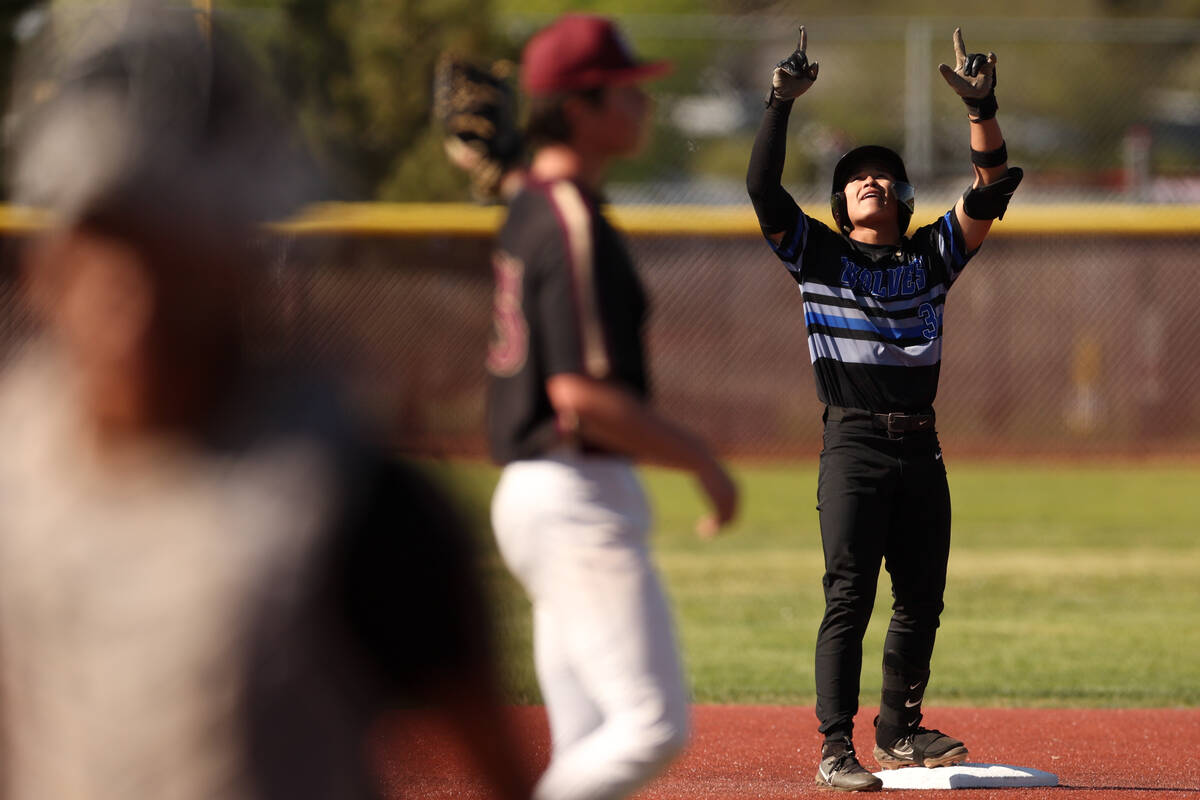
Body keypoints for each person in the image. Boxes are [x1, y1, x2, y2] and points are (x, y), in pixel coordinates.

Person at [0, 5, 531, 799]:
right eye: (115, 242)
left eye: (182, 260)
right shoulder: (15, 468)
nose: (140, 302)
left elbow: (495, 764)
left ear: (242, 264)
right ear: (46, 264)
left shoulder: (353, 506)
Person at [745, 26, 1022, 792]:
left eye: (883, 176)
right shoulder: (817, 254)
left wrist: (981, 106)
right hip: (855, 445)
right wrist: (779, 103)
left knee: (923, 597)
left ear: (902, 197)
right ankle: (836, 746)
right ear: (839, 201)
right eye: (857, 177)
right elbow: (763, 191)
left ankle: (899, 730)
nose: (870, 181)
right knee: (850, 595)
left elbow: (992, 185)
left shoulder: (933, 255)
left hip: (921, 447)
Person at [483, 14, 739, 800]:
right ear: (579, 109)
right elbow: (580, 395)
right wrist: (700, 460)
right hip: (574, 494)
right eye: (626, 93)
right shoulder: (568, 221)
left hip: (541, 492)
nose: (643, 107)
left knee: (589, 741)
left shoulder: (532, 205)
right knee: (651, 726)